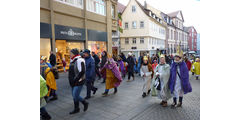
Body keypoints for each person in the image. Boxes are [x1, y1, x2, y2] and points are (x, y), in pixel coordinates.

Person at [68, 48, 89, 114]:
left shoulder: (80, 60)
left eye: (70, 53)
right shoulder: (72, 60)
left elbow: (82, 71)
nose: (69, 54)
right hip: (72, 82)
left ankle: (84, 103)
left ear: (74, 54)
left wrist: (75, 80)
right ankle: (77, 108)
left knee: (75, 95)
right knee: (74, 95)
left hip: (78, 82)